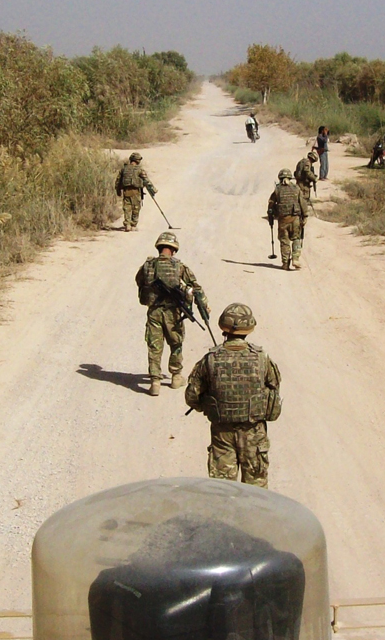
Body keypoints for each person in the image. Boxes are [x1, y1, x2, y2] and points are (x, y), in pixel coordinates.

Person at [185, 303, 282, 489]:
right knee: (257, 492)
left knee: (222, 492)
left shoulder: (210, 359)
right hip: (254, 434)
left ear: (223, 327)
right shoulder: (262, 357)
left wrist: (205, 404)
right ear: (250, 328)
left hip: (222, 434)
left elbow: (191, 395)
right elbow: (274, 388)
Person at [135, 232, 209, 396]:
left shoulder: (148, 265)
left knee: (154, 346)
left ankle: (155, 381)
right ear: (174, 250)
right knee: (176, 343)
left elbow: (139, 281)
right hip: (173, 313)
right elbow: (196, 288)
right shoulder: (179, 267)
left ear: (159, 248)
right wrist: (204, 307)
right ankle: (176, 376)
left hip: (154, 311)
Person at [267, 169, 307, 270]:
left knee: (284, 241)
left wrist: (270, 216)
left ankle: (285, 263)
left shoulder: (278, 189)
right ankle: (295, 258)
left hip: (283, 220)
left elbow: (271, 204)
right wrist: (305, 216)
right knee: (296, 238)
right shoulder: (296, 188)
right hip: (295, 219)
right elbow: (302, 202)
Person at [115, 152, 158, 232]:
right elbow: (146, 181)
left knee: (127, 208)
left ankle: (127, 224)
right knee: (136, 208)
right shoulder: (139, 170)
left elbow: (118, 181)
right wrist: (153, 190)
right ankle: (133, 225)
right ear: (137, 160)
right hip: (136, 192)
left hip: (126, 191)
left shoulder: (124, 169)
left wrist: (118, 190)